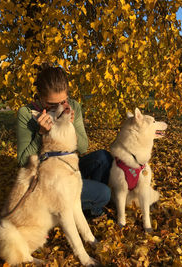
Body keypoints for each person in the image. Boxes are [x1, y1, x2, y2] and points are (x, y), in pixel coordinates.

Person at [17, 65, 113, 217]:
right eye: (51, 104)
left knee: (103, 157)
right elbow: (23, 161)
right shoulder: (26, 113)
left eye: (63, 101)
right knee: (104, 193)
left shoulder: (73, 106)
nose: (59, 108)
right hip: (48, 180)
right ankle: (70, 208)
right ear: (40, 98)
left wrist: (70, 124)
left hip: (69, 167)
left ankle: (85, 205)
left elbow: (83, 148)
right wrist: (40, 134)